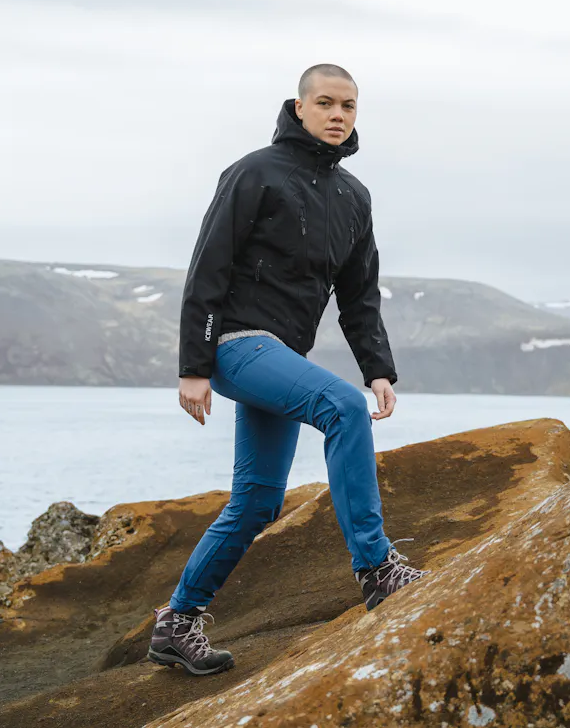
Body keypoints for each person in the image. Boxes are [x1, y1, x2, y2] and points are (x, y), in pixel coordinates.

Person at [146, 64, 429, 676]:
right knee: (341, 408)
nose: (338, 115)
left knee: (257, 501)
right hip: (236, 345)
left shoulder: (354, 197)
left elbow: (360, 294)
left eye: (348, 106)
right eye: (325, 103)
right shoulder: (254, 172)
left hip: (279, 358)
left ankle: (177, 622)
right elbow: (207, 268)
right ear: (299, 108)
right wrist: (194, 365)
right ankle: (377, 568)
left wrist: (378, 367)